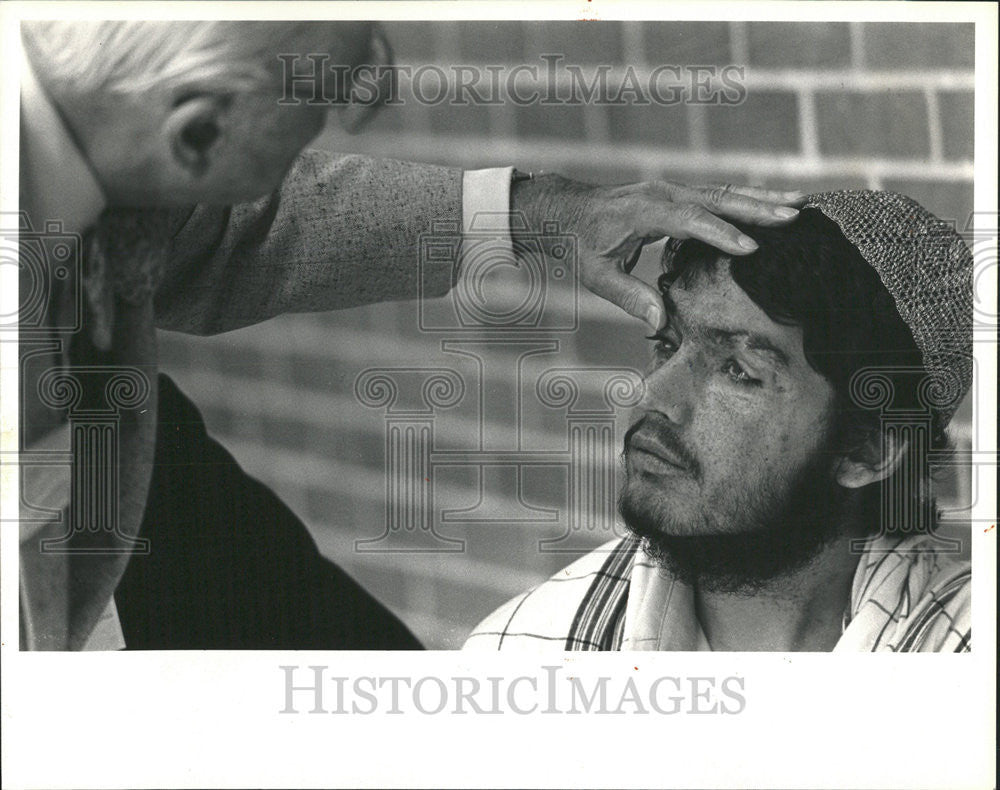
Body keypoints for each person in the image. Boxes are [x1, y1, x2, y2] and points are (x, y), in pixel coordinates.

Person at [16, 20, 805, 650]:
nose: (650, 394)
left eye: (739, 368)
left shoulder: (106, 132)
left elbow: (230, 224)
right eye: (299, 134)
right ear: (194, 135)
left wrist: (542, 213)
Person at [464, 191, 973, 653]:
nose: (652, 393)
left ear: (868, 449)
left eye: (738, 370)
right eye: (667, 344)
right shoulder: (522, 653)